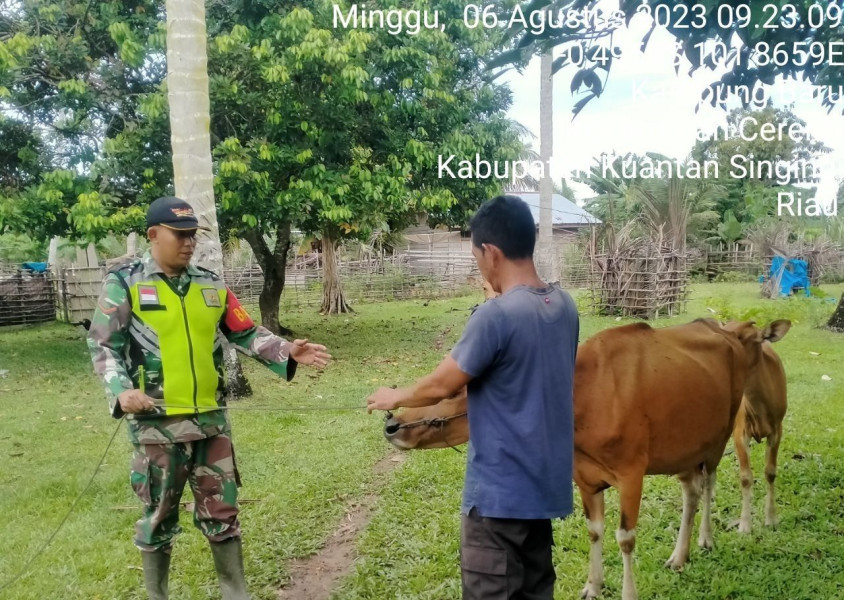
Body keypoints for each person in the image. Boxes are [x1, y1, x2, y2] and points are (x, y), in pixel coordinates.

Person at [88, 196, 331, 600]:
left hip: (211, 423)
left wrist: (286, 350)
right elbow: (103, 345)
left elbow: (244, 331)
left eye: (193, 236)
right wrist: (121, 391)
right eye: (179, 235)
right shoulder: (125, 283)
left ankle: (236, 593)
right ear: (153, 235)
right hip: (157, 425)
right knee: (159, 517)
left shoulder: (210, 283)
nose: (189, 243)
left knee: (223, 513)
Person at [367, 195, 579, 599]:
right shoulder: (564, 307)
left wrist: (394, 395)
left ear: (491, 252)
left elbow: (442, 385)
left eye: (477, 257)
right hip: (541, 497)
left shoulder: (495, 317)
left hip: (497, 503)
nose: (478, 266)